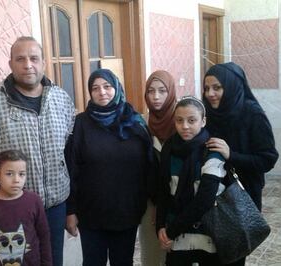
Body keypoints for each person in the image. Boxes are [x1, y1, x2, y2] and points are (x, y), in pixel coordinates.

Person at [0, 36, 76, 266]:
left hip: (56, 207)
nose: (28, 65)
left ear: (44, 63)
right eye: (21, 59)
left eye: (34, 58)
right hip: (12, 207)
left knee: (52, 260)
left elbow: (67, 152)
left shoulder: (61, 99)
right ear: (10, 64)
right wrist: (5, 194)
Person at [65, 68, 153, 266]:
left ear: (117, 88)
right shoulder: (80, 124)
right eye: (95, 88)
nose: (101, 92)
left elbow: (149, 166)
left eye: (107, 86)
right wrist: (70, 210)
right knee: (92, 262)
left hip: (127, 211)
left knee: (123, 261)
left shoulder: (134, 121)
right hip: (91, 213)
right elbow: (71, 168)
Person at [202, 62, 279, 266]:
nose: (210, 94)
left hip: (240, 201)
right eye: (207, 88)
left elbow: (268, 158)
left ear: (232, 86)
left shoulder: (252, 114)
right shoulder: (206, 114)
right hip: (209, 198)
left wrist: (231, 155)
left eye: (217, 87)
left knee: (232, 258)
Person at [156, 96, 227, 266]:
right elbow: (163, 191)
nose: (185, 126)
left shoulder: (212, 151)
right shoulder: (169, 148)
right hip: (177, 234)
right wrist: (160, 227)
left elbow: (205, 200)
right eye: (179, 121)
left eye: (192, 120)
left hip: (208, 232)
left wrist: (171, 231)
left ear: (203, 122)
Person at [0, 150, 52, 266]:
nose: (16, 180)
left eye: (21, 174)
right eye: (9, 174)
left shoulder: (34, 201)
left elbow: (44, 236)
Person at [139, 70, 177, 266]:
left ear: (170, 92)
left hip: (180, 200)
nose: (156, 97)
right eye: (151, 91)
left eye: (162, 91)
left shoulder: (182, 122)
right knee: (153, 252)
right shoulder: (141, 124)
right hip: (150, 201)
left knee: (179, 252)